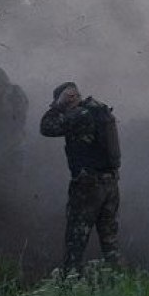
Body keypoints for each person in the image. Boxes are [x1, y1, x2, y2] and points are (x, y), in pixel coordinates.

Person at [40, 82, 121, 273]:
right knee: (110, 243)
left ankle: (68, 290)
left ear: (69, 97)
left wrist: (57, 106)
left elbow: (46, 128)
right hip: (111, 185)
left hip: (88, 187)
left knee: (75, 243)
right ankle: (120, 283)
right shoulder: (100, 111)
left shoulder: (80, 115)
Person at [0, 67, 28, 184]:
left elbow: (18, 118)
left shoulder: (14, 93)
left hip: (13, 144)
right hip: (4, 142)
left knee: (11, 181)